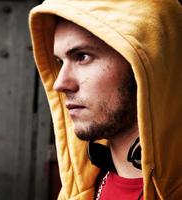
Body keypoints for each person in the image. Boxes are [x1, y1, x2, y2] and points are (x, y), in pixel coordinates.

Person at [28, 0, 182, 199]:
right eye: (59, 62)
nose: (60, 83)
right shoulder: (76, 192)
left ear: (146, 65)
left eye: (82, 56)